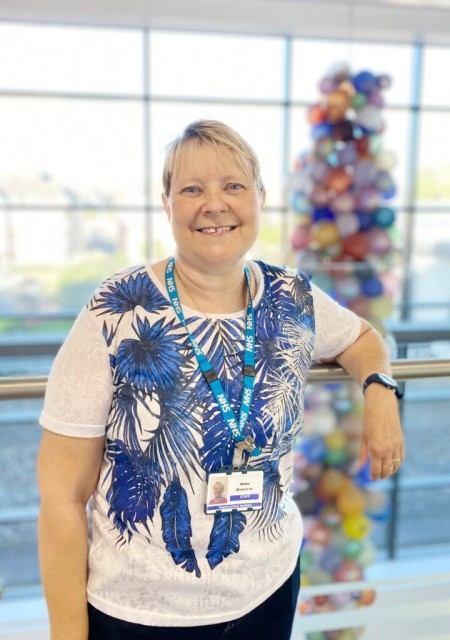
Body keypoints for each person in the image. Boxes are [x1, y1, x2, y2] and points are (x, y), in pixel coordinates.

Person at [37, 119, 404, 640]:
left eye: (233, 186)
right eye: (192, 189)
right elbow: (61, 499)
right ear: (167, 205)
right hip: (141, 614)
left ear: (260, 197)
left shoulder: (290, 295)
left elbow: (360, 336)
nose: (215, 204)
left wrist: (380, 390)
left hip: (269, 589)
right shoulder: (115, 310)